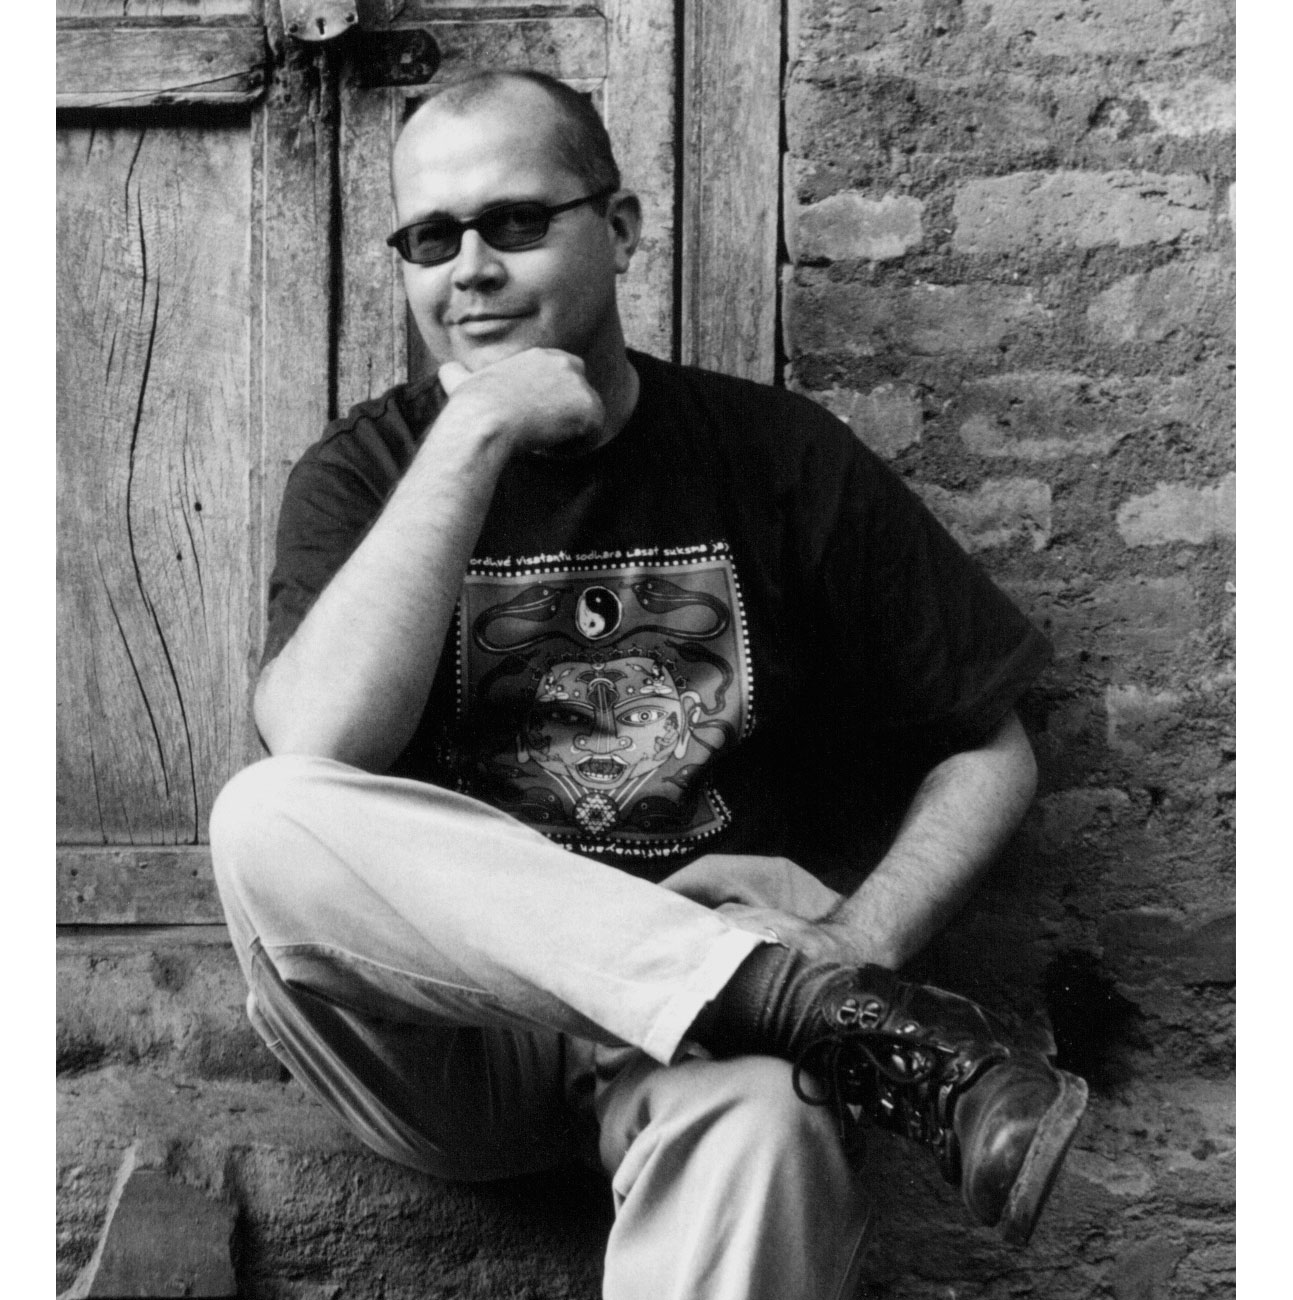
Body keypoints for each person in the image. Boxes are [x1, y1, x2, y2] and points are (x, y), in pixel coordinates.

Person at [210, 67, 1087, 1300]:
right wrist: (476, 431)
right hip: (459, 1043)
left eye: (517, 221)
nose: (471, 270)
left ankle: (789, 1005)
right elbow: (319, 739)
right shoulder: (365, 473)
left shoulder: (774, 457)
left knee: (772, 1125)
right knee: (265, 812)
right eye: (431, 240)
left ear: (619, 228)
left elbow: (990, 748)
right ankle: (798, 1005)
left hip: (710, 1051)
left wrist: (863, 935)